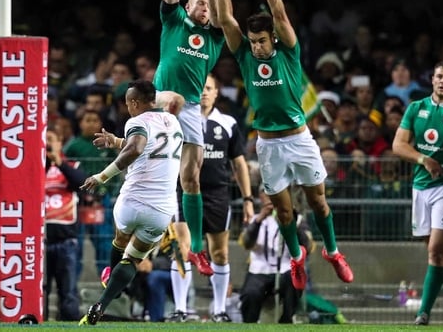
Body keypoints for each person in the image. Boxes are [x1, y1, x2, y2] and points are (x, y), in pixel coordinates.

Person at [213, 0, 353, 292]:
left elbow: (279, 13)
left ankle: (333, 252)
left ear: (272, 37)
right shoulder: (245, 54)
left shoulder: (288, 52)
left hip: (300, 139)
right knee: (285, 212)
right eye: (254, 41)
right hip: (269, 144)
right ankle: (296, 258)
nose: (257, 46)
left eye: (262, 40)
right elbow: (226, 20)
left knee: (319, 201)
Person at [151, 0, 227, 274]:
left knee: (191, 178)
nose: (205, 8)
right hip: (161, 100)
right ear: (189, 6)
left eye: (208, 5)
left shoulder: (214, 38)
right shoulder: (175, 21)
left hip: (192, 108)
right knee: (150, 168)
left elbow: (220, 9)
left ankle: (196, 248)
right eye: (199, 2)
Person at [78, 79, 184, 325]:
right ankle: (102, 304)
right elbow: (148, 147)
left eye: (128, 104)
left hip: (133, 199)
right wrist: (116, 142)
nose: (127, 108)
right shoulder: (173, 121)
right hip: (162, 209)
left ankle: (109, 275)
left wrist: (100, 176)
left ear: (135, 103)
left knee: (120, 240)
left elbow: (136, 148)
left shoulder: (137, 121)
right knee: (133, 259)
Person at [391, 60, 443, 326]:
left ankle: (423, 312)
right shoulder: (416, 108)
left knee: (437, 249)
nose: (442, 81)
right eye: (439, 76)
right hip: (420, 186)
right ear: (432, 79)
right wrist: (423, 160)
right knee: (438, 253)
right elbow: (398, 145)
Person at [167, 73, 254, 322]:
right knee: (181, 250)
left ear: (217, 93)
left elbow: (239, 164)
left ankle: (219, 310)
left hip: (217, 195)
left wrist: (248, 199)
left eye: (209, 88)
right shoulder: (178, 120)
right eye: (200, 88)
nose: (204, 92)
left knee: (220, 254)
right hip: (184, 191)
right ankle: (181, 310)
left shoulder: (228, 124)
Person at [238, 187, 310, 323]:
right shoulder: (252, 217)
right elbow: (246, 243)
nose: (271, 197)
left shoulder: (297, 219)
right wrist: (259, 219)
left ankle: (287, 320)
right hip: (259, 269)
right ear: (261, 196)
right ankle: (249, 323)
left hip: (286, 267)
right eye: (267, 193)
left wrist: (291, 219)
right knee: (250, 293)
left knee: (294, 281)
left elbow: (307, 246)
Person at [43, 124, 87, 321]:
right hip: (41, 241)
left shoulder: (72, 166)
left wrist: (59, 163)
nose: (47, 144)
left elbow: (82, 184)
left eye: (51, 139)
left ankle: (68, 323)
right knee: (40, 291)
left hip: (66, 240)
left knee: (67, 292)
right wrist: (45, 162)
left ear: (60, 142)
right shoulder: (36, 169)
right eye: (44, 140)